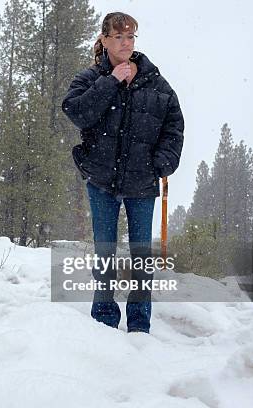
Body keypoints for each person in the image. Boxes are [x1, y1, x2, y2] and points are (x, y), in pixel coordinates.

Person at [62, 12, 184, 333]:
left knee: (142, 260)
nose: (125, 43)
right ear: (104, 40)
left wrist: (163, 162)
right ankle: (103, 323)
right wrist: (111, 80)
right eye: (118, 37)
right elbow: (77, 111)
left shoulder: (155, 82)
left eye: (130, 37)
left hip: (142, 184)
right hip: (102, 181)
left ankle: (140, 326)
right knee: (105, 257)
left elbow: (174, 125)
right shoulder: (90, 78)